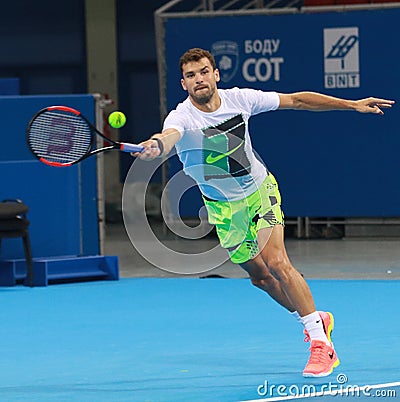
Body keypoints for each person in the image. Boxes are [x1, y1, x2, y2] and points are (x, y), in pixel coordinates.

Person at [134, 47, 394, 377]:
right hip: (224, 209)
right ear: (183, 84)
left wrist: (351, 104)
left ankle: (320, 344)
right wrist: (156, 144)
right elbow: (168, 136)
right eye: (190, 76)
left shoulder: (240, 99)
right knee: (260, 277)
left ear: (215, 74)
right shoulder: (181, 117)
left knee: (277, 261)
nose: (198, 79)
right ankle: (314, 318)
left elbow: (297, 100)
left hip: (259, 193)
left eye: (203, 72)